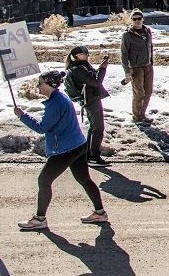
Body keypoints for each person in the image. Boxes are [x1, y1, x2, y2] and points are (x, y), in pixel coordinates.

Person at [14, 71, 107, 231]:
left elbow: (41, 128)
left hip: (64, 150)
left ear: (50, 84)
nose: (38, 86)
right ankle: (100, 213)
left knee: (44, 181)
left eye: (40, 83)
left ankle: (39, 219)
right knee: (84, 179)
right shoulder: (60, 98)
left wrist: (22, 116)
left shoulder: (55, 104)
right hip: (78, 145)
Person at [65, 45, 110, 166]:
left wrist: (100, 68)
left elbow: (93, 78)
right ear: (77, 56)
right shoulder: (78, 69)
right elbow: (96, 82)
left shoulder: (82, 66)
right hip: (91, 101)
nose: (87, 55)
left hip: (91, 99)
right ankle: (94, 156)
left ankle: (89, 155)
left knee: (94, 127)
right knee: (98, 128)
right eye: (85, 53)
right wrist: (103, 69)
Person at [120, 9, 155, 126]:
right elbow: (124, 54)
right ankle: (137, 117)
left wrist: (151, 62)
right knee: (139, 93)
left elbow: (151, 47)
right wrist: (127, 71)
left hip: (148, 66)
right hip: (136, 68)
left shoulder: (147, 31)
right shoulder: (127, 35)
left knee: (148, 92)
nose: (137, 21)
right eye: (134, 19)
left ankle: (143, 114)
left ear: (142, 19)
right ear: (131, 20)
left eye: (139, 18)